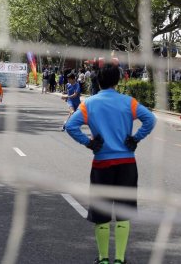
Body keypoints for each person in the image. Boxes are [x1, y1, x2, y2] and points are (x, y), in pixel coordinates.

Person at [65, 63, 156, 264]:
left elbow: (70, 126)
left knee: (101, 214)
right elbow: (150, 119)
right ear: (117, 80)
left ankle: (104, 259)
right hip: (127, 164)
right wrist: (135, 138)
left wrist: (89, 143)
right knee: (124, 212)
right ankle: (120, 259)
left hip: (102, 164)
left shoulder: (90, 103)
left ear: (97, 80)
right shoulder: (129, 102)